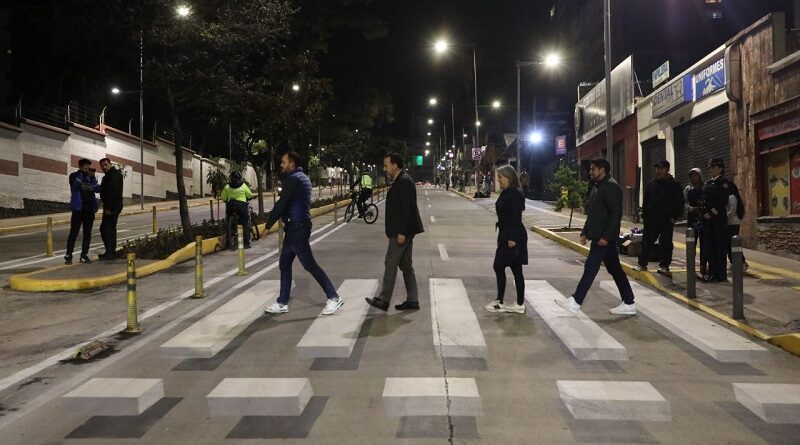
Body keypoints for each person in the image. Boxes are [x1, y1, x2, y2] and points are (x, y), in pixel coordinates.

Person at [264, 151, 343, 315]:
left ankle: (333, 297)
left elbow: (283, 202)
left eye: (283, 162)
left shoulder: (293, 179)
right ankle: (282, 302)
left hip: (297, 227)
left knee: (309, 264)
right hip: (297, 226)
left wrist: (269, 223)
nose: (281, 165)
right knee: (284, 263)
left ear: (291, 163)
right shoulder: (303, 177)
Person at [555, 158, 636, 315]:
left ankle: (576, 301)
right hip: (600, 237)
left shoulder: (611, 187)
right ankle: (629, 302)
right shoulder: (597, 187)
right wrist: (585, 232)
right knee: (616, 270)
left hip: (603, 239)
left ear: (602, 170)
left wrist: (606, 236)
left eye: (593, 169)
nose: (590, 172)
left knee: (590, 268)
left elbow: (615, 215)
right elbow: (592, 213)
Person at [366, 152, 424, 311]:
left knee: (390, 263)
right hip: (402, 229)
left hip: (401, 231)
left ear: (395, 165)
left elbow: (407, 209)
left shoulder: (404, 181)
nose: (384, 168)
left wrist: (402, 232)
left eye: (386, 165)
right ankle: (413, 300)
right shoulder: (401, 180)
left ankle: (384, 299)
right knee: (405, 265)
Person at [484, 165, 528, 314]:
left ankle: (503, 302)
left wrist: (512, 238)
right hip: (507, 234)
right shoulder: (507, 192)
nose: (498, 180)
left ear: (509, 178)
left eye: (500, 177)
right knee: (514, 269)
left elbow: (516, 217)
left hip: (512, 236)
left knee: (501, 266)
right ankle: (513, 302)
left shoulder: (514, 194)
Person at [635, 160, 684, 274]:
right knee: (646, 242)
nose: (658, 171)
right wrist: (644, 215)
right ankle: (642, 264)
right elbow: (646, 201)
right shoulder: (651, 184)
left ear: (667, 169)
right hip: (651, 219)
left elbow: (679, 202)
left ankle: (664, 265)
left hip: (667, 220)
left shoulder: (674, 185)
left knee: (666, 243)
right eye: (657, 168)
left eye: (661, 168)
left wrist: (675, 217)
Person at [65, 158, 99, 264]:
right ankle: (68, 254)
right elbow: (75, 185)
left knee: (87, 234)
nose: (87, 168)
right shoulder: (74, 176)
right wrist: (84, 180)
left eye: (88, 166)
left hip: (89, 210)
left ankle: (84, 255)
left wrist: (91, 179)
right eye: (85, 166)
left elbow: (97, 188)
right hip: (78, 210)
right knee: (73, 233)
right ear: (80, 167)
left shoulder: (91, 178)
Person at [701, 158, 729, 282]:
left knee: (719, 248)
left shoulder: (723, 184)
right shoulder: (709, 183)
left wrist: (711, 213)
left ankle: (720, 274)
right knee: (710, 247)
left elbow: (722, 203)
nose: (710, 170)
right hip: (708, 220)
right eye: (710, 168)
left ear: (720, 169)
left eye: (713, 167)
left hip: (718, 220)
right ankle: (712, 272)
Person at [221, 171, 254, 249]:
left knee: (229, 220)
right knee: (245, 223)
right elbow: (249, 195)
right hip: (241, 206)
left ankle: (228, 243)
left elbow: (223, 197)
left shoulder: (227, 186)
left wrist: (227, 200)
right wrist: (249, 197)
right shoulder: (243, 185)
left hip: (230, 206)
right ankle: (246, 243)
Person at [98, 158, 123, 260]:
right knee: (106, 229)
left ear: (110, 164)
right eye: (102, 166)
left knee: (108, 229)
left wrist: (109, 207)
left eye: (105, 165)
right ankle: (110, 251)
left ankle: (110, 253)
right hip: (110, 206)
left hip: (112, 207)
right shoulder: (110, 175)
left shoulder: (114, 175)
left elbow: (113, 192)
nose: (104, 167)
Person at [684, 168, 707, 277]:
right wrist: (692, 209)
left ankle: (703, 266)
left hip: (703, 219)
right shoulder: (688, 189)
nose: (694, 178)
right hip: (692, 219)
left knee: (704, 244)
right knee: (691, 243)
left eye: (696, 175)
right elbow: (683, 204)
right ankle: (690, 266)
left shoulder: (705, 188)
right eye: (692, 176)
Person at [726, 180, 749, 271]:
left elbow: (731, 212)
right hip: (730, 223)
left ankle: (742, 262)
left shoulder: (732, 197)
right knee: (730, 244)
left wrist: (723, 217)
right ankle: (734, 262)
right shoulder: (730, 197)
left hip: (732, 223)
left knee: (732, 244)